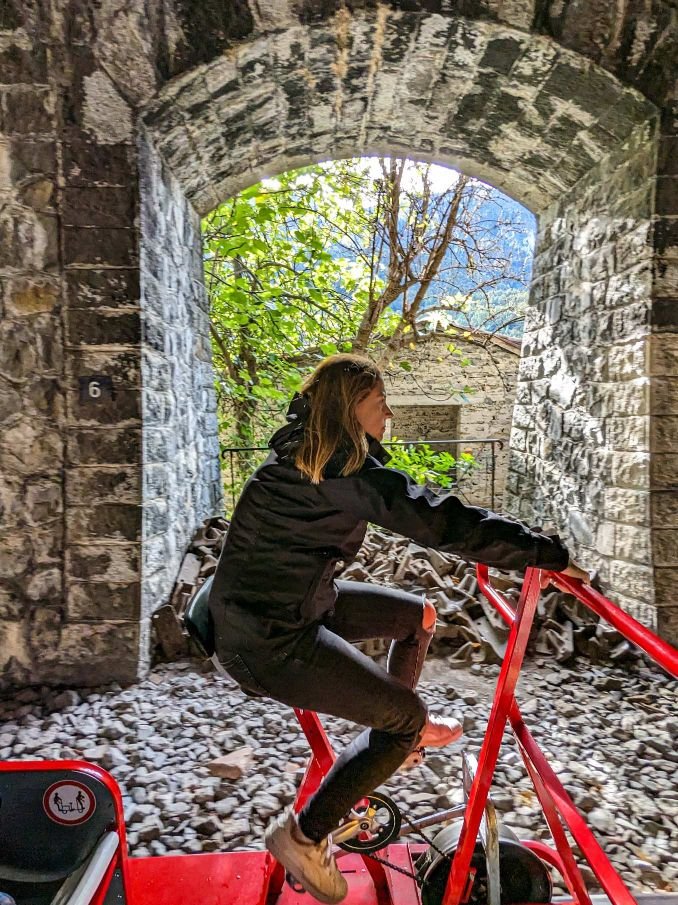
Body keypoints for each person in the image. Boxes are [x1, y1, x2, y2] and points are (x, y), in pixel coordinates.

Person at [208, 353, 589, 904]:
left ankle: (393, 740)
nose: (388, 415)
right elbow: (442, 521)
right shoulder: (341, 473)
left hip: (288, 605)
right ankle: (303, 835)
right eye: (379, 404)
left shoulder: (307, 457)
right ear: (348, 410)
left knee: (419, 617)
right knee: (403, 719)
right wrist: (544, 554)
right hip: (266, 641)